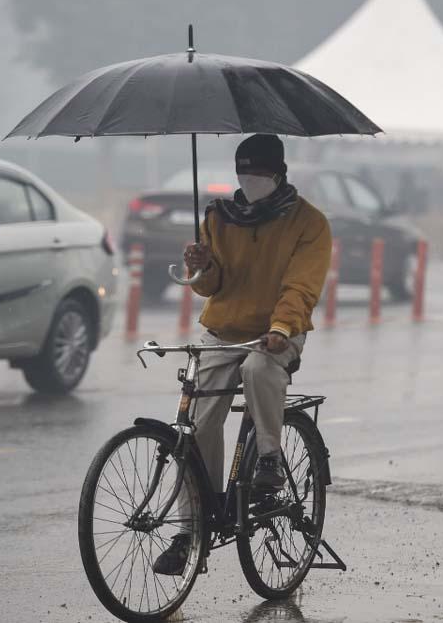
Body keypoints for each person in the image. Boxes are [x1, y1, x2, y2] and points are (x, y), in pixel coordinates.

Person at [153, 133, 332, 575]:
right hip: (224, 329)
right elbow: (209, 287)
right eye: (243, 173)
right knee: (198, 422)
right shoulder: (219, 215)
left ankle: (269, 456)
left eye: (259, 174)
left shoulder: (309, 223)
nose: (250, 181)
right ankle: (189, 528)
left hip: (278, 329)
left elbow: (302, 287)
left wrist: (279, 329)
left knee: (259, 368)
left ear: (278, 173)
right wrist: (202, 264)